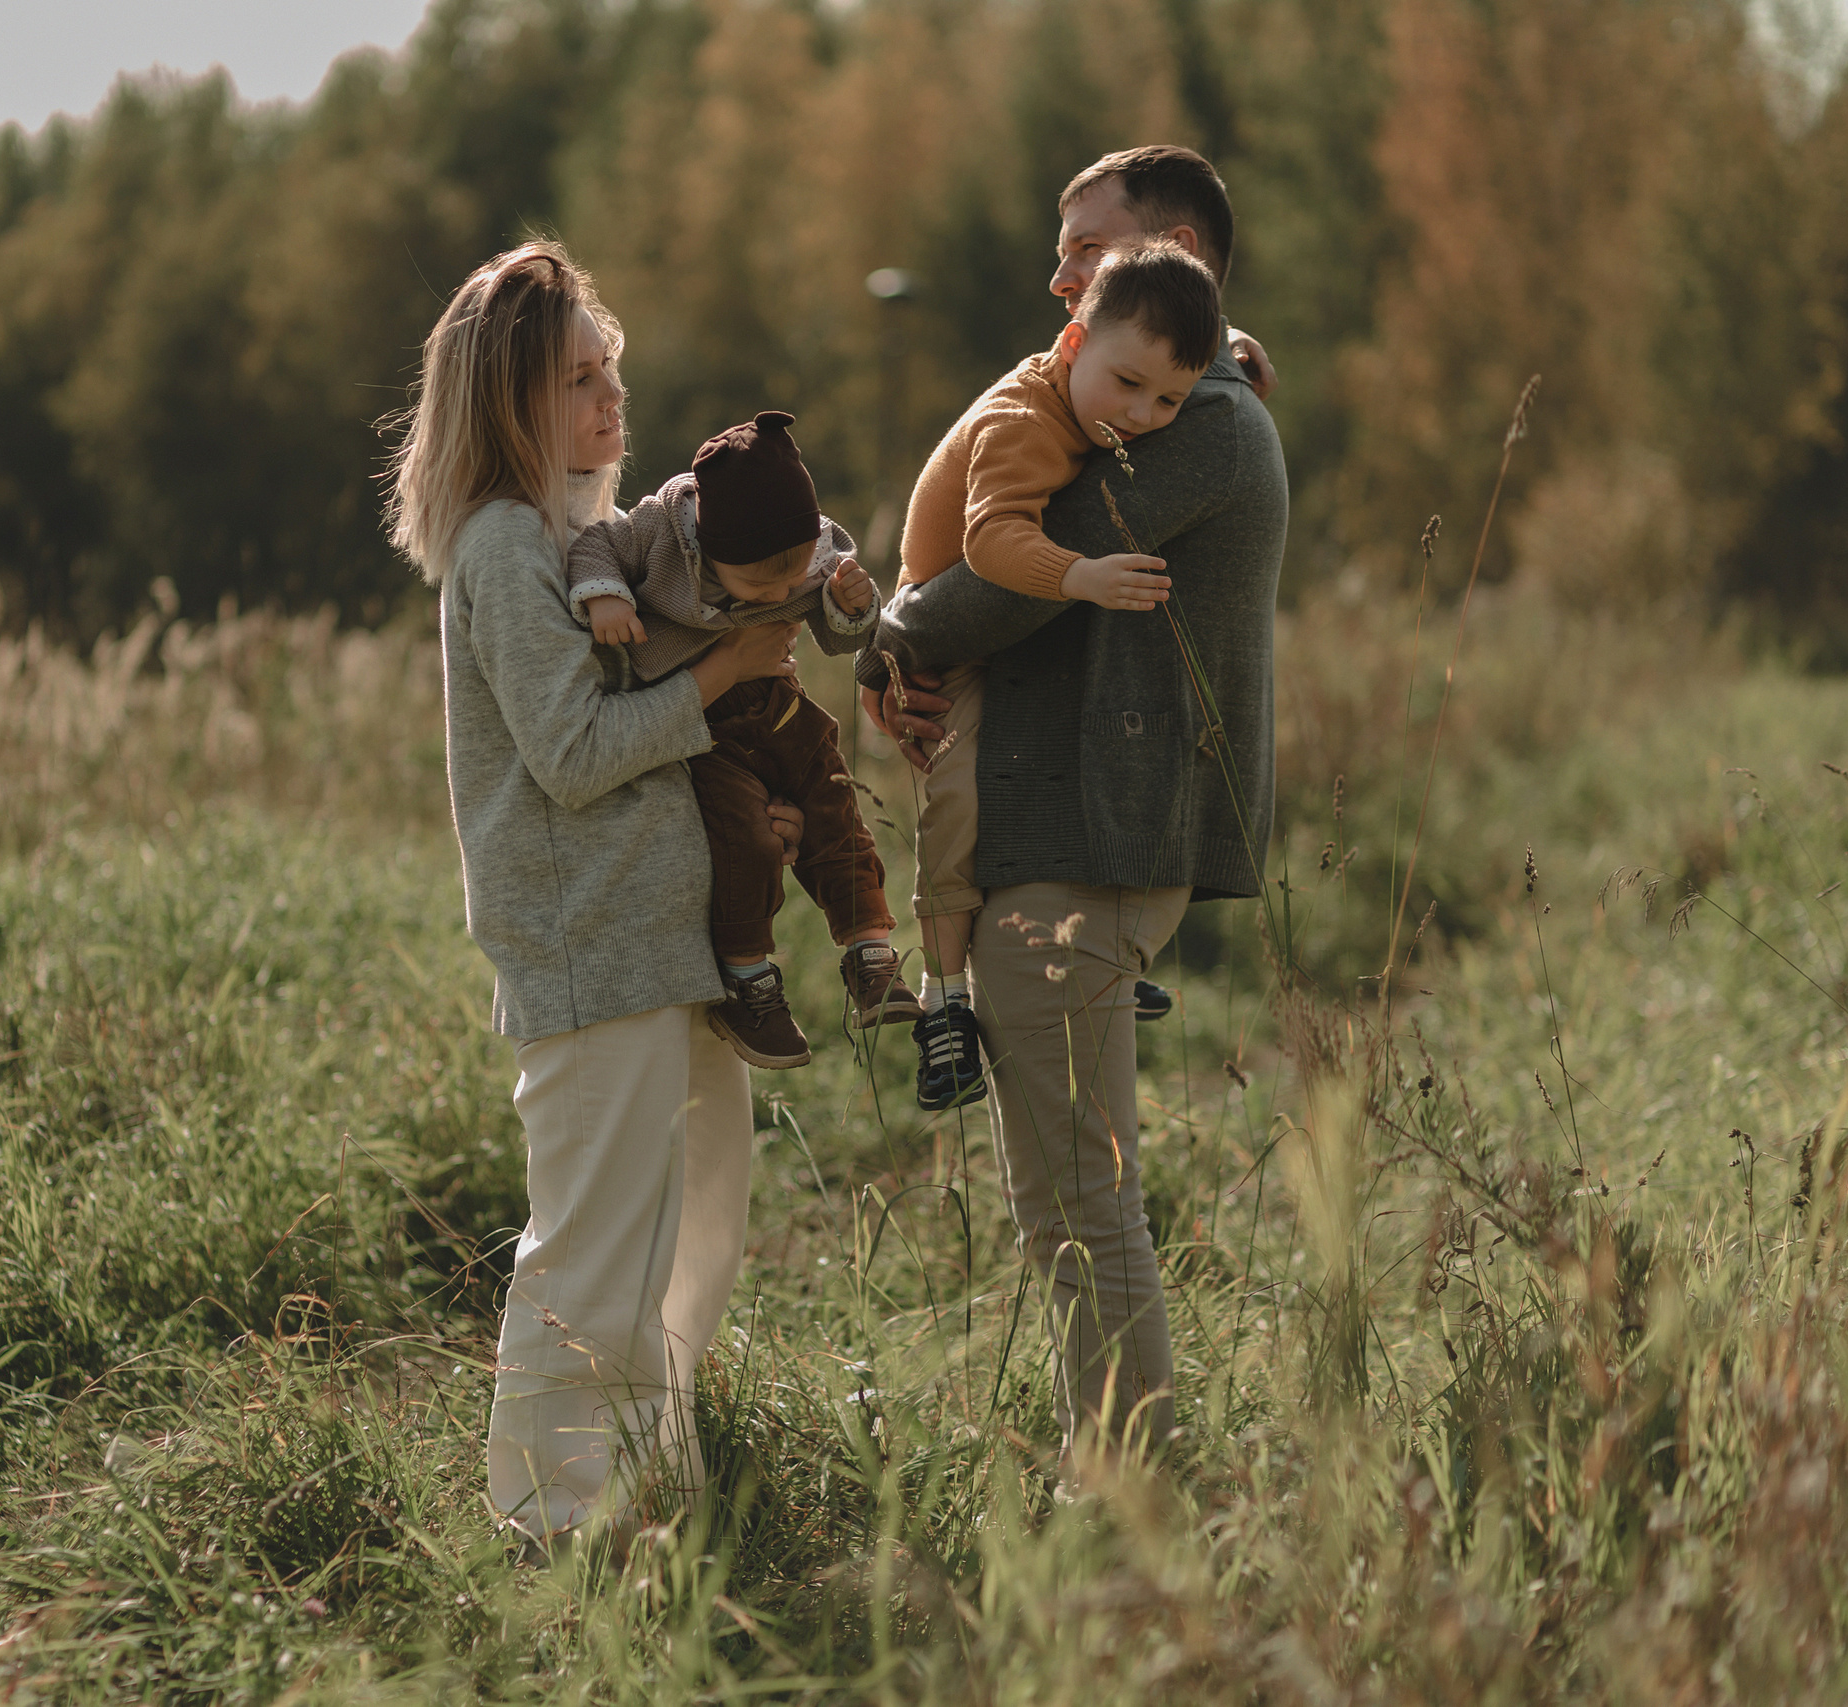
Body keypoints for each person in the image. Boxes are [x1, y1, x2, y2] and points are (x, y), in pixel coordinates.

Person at [858, 144, 1288, 1476]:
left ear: (1172, 261)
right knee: (1060, 1199)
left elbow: (1003, 581)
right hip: (1064, 843)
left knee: (1084, 1206)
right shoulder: (1137, 405)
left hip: (1085, 850)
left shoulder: (1199, 421)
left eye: (1084, 249)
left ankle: (1146, 1506)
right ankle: (1124, 1487)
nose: (1057, 274)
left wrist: (881, 638)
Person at [386, 240, 804, 1553]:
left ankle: (652, 1470)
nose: (612, 399)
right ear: (508, 399)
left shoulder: (582, 539)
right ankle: (551, 1522)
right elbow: (568, 755)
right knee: (589, 1254)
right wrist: (726, 676)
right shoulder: (505, 548)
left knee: (697, 1220)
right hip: (589, 948)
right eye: (579, 378)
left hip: (658, 942)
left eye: (611, 369)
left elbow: (629, 742)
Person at [887, 239, 1225, 1112]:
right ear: (1070, 346)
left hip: (1014, 637)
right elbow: (988, 541)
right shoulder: (1022, 421)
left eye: (1173, 399)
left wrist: (1237, 362)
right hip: (944, 647)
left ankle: (1098, 954)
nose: (1148, 412)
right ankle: (943, 1002)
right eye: (1130, 386)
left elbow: (1144, 334)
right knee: (955, 797)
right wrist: (1083, 573)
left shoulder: (1107, 380)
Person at [568, 410, 921, 1071]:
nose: (781, 594)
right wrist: (606, 596)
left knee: (832, 804)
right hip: (700, 723)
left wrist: (850, 606)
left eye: (791, 582)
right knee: (744, 836)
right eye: (762, 586)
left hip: (778, 703)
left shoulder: (807, 550)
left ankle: (871, 951)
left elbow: (841, 639)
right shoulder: (661, 532)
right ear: (707, 547)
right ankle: (748, 976)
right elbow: (593, 545)